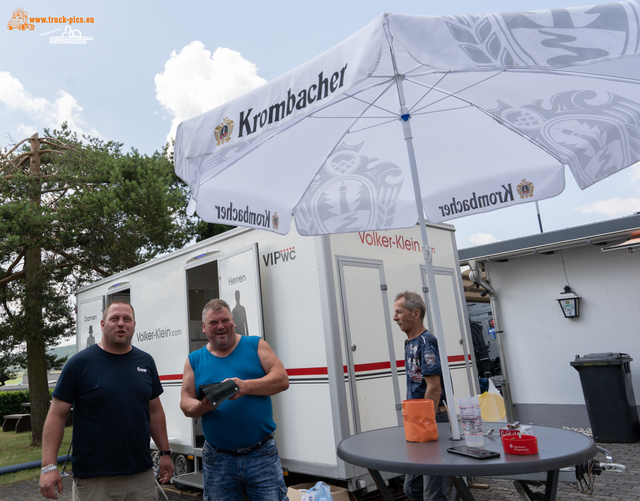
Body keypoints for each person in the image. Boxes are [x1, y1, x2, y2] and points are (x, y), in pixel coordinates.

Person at [40, 300, 174, 500]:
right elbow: (57, 415)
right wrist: (49, 466)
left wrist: (165, 453)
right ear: (103, 325)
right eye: (114, 319)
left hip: (141, 475)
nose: (121, 323)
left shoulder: (146, 362)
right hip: (95, 479)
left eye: (127, 319)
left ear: (134, 325)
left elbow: (154, 410)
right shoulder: (79, 364)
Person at [180, 299, 289, 501]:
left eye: (225, 320)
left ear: (234, 322)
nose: (220, 326)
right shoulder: (194, 359)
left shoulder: (255, 345)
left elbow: (282, 380)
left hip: (261, 454)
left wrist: (245, 386)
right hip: (217, 458)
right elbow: (185, 402)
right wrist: (202, 406)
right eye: (213, 322)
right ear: (204, 327)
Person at [393, 291, 449, 501]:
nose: (395, 317)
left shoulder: (427, 342)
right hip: (417, 420)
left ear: (416, 314)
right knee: (412, 488)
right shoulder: (410, 342)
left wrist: (426, 419)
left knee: (432, 494)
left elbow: (434, 387)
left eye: (399, 312)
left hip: (431, 418)